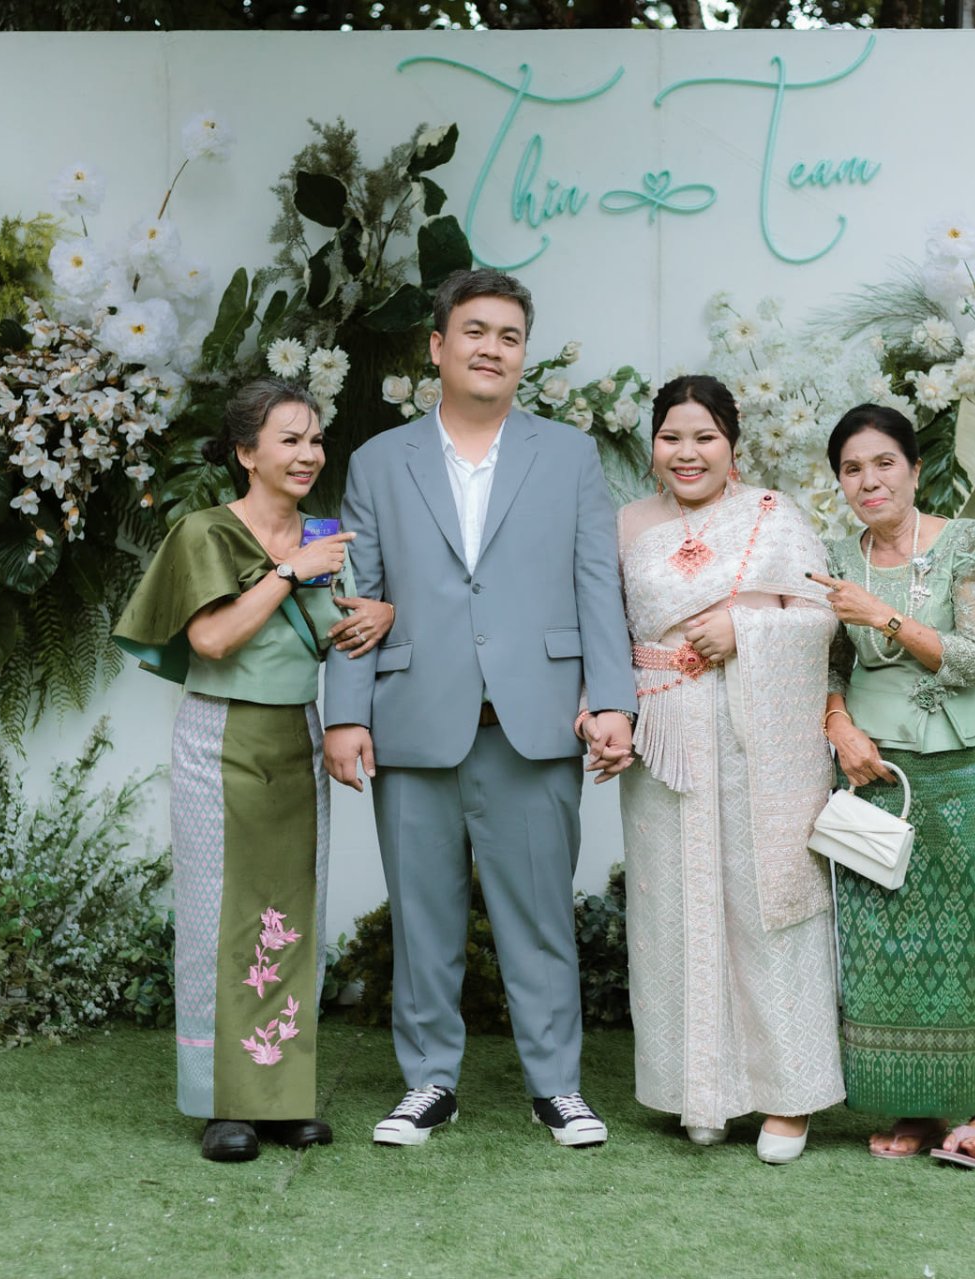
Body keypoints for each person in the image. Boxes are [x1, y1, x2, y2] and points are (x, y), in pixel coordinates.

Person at [323, 268, 638, 1149]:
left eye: (508, 336)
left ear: (523, 354)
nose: (491, 348)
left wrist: (615, 700)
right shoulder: (379, 461)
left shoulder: (568, 455)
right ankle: (429, 1081)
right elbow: (357, 595)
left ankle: (556, 1086)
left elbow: (597, 586)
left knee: (539, 918)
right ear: (437, 346)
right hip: (413, 718)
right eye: (474, 331)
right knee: (422, 918)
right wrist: (345, 714)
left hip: (534, 722)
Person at [112, 379, 394, 1163]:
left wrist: (383, 612)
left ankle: (281, 1098)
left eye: (315, 439)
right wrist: (289, 571)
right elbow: (211, 639)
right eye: (289, 440)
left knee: (291, 910)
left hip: (297, 734)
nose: (308, 454)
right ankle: (221, 1103)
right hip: (220, 734)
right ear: (246, 452)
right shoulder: (206, 532)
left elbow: (345, 629)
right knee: (217, 917)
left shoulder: (328, 536)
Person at [616, 376, 844, 1165]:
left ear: (732, 445)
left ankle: (789, 1096)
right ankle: (700, 1090)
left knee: (763, 903)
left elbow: (821, 614)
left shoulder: (773, 516)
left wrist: (743, 626)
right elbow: (602, 625)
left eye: (704, 437)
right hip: (665, 738)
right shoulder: (627, 523)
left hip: (758, 740)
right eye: (671, 437)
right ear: (652, 444)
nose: (688, 453)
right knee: (672, 909)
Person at [809, 403, 975, 1168]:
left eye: (883, 463)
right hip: (873, 766)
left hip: (962, 763)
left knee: (968, 929)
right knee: (887, 939)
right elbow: (829, 659)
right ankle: (920, 1104)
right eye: (852, 469)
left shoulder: (965, 540)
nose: (869, 481)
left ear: (915, 469)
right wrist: (837, 721)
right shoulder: (837, 555)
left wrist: (883, 615)